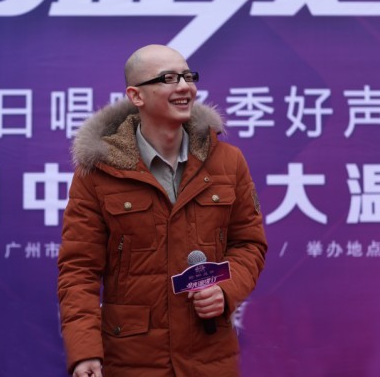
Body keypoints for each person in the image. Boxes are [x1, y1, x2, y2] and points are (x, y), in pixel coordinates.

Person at [57, 44, 267, 377]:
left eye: (188, 76)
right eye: (168, 79)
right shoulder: (99, 172)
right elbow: (78, 269)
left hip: (208, 357)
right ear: (136, 96)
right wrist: (84, 352)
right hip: (132, 359)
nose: (184, 87)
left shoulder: (228, 162)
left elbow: (249, 244)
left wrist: (225, 291)